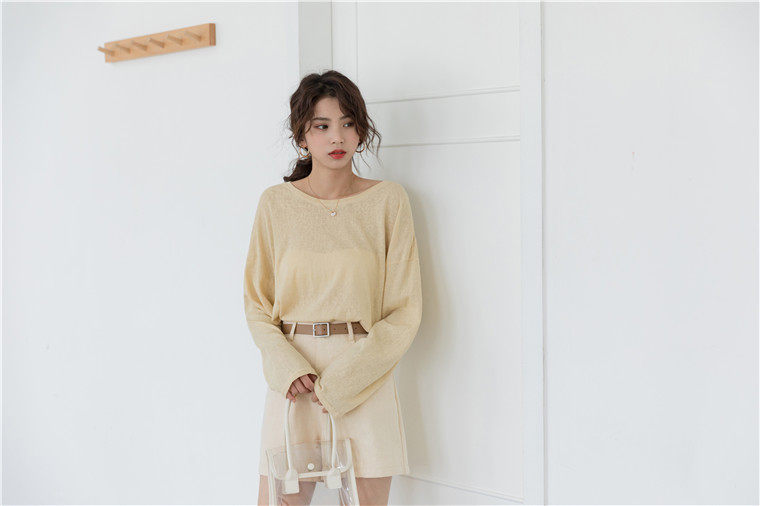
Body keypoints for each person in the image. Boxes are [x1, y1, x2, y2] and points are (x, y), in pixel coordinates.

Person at [243, 70, 423, 505]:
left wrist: (346, 380)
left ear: (361, 131)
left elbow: (404, 310)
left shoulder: (388, 201)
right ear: (301, 136)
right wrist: (287, 367)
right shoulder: (276, 204)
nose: (337, 137)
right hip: (296, 382)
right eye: (321, 126)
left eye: (347, 123)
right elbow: (257, 304)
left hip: (364, 377)